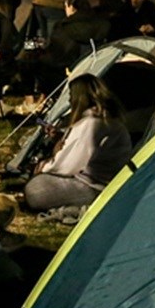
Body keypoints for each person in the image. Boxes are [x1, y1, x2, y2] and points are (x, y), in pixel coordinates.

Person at [23, 74, 132, 212]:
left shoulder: (90, 124)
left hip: (94, 187)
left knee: (35, 188)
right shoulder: (108, 119)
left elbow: (67, 166)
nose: (69, 100)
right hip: (109, 182)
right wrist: (61, 137)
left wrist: (43, 166)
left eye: (70, 95)